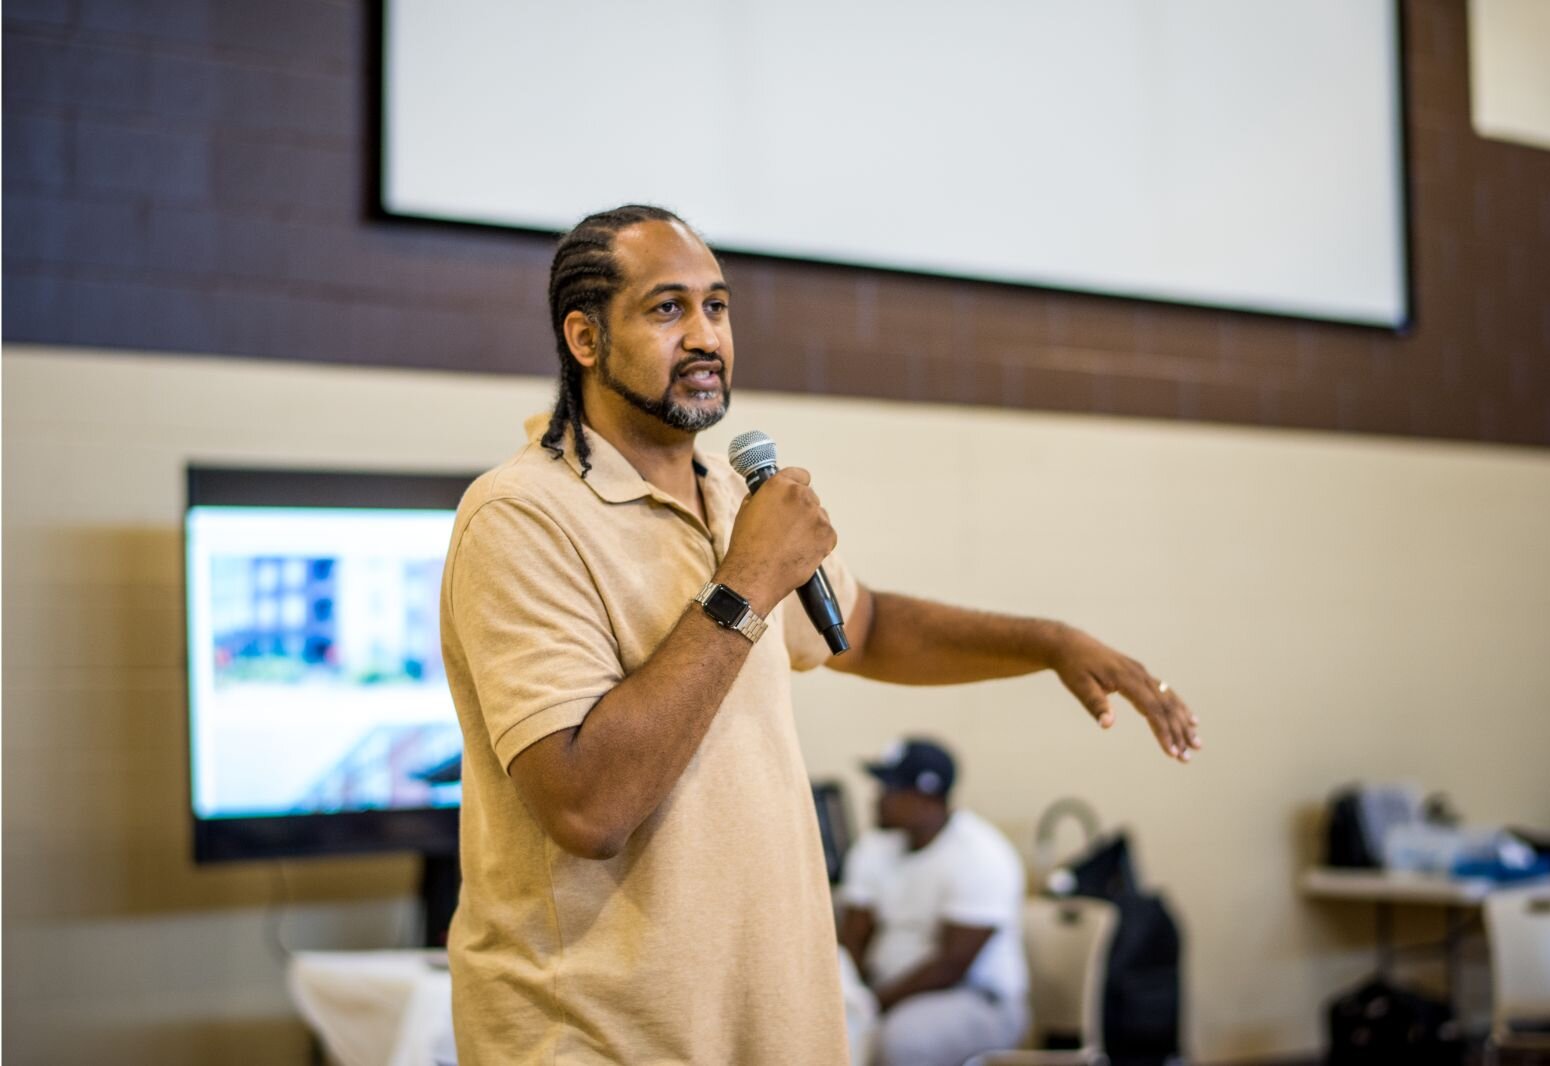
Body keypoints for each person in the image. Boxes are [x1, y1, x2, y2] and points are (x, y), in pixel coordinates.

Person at [439, 203, 1200, 1065]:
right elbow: (587, 805)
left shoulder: (731, 498)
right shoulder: (520, 516)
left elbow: (863, 628)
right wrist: (748, 579)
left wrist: (1049, 641)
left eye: (717, 307)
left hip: (769, 1024)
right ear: (584, 338)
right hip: (602, 1035)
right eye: (666, 309)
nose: (705, 337)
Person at [839, 738, 1029, 1066]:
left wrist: (870, 1004)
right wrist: (848, 994)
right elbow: (854, 934)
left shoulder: (981, 854)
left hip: (972, 999)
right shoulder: (874, 846)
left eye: (890, 790)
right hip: (884, 992)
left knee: (903, 1042)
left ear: (926, 799)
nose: (877, 799)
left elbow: (951, 964)